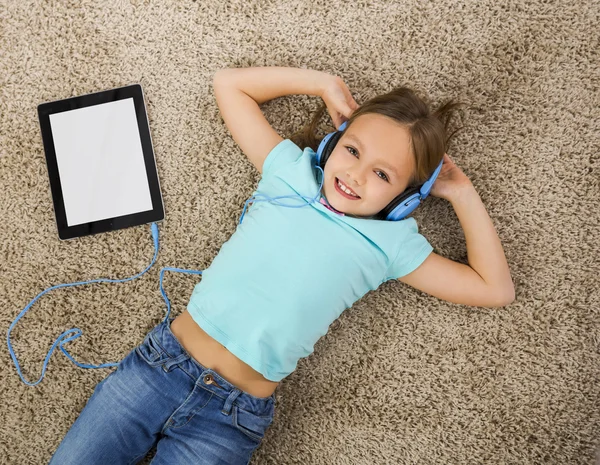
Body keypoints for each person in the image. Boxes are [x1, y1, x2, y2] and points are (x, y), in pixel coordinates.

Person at [49, 66, 515, 464]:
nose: (355, 174)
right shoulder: (289, 173)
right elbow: (229, 85)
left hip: (230, 417)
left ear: (404, 201)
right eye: (353, 151)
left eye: (382, 174)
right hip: (159, 369)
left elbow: (494, 289)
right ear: (333, 142)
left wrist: (460, 192)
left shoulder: (392, 244)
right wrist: (323, 84)